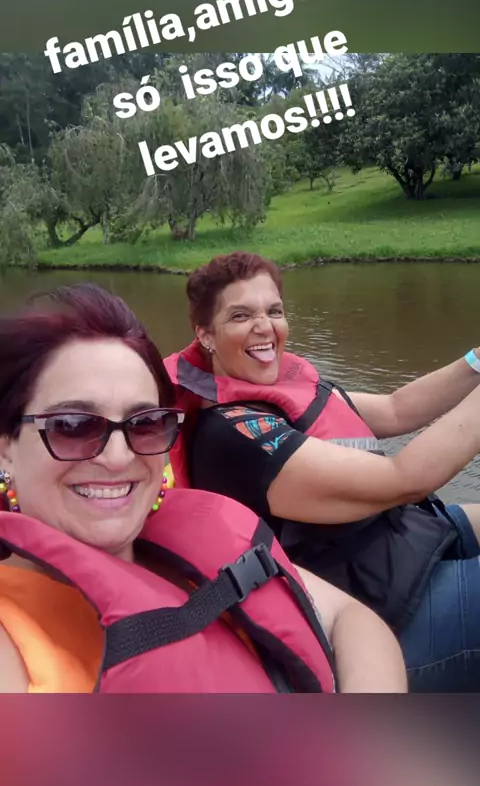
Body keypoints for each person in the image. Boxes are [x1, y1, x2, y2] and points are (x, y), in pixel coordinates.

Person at [0, 282, 406, 693]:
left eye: (145, 424)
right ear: (5, 449)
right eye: (73, 426)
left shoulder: (194, 536)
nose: (119, 457)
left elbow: (350, 618)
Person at [165, 251, 480, 692]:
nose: (264, 326)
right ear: (206, 335)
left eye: (274, 311)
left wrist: (477, 361)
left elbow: (397, 408)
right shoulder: (234, 436)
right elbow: (406, 478)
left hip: (398, 545)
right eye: (241, 315)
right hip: (383, 612)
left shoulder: (284, 387)